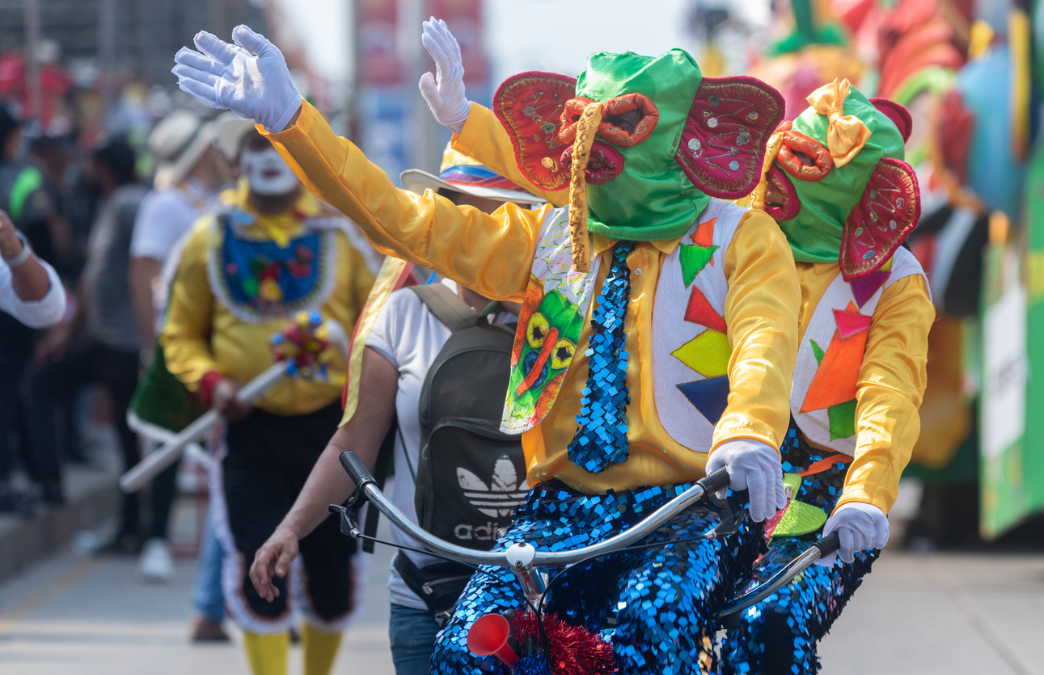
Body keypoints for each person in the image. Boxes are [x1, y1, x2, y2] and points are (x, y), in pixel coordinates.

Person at [175, 21, 800, 673]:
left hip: (685, 509)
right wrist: (293, 121)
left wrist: (750, 431)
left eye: (617, 130)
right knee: (468, 654)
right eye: (583, 130)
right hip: (558, 508)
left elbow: (765, 339)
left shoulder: (741, 238)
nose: (587, 154)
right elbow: (401, 218)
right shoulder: (553, 239)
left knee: (649, 643)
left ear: (680, 141)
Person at [418, 31, 934, 673]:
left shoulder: (892, 280)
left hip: (820, 489)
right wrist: (469, 123)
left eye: (807, 167)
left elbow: (891, 393)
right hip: (716, 478)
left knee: (764, 627)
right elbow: (594, 181)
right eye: (781, 156)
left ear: (855, 197)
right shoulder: (729, 224)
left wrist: (869, 494)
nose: (777, 177)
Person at [247, 147, 541, 675]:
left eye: (503, 214)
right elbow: (353, 444)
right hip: (424, 595)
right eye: (463, 213)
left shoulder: (565, 320)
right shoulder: (403, 315)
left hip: (542, 595)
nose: (482, 232)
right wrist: (290, 528)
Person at [160, 124, 377, 675]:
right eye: (255, 146)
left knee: (332, 571)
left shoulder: (341, 235)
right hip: (250, 432)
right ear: (234, 160)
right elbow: (180, 335)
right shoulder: (208, 238)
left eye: (279, 145)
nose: (268, 158)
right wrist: (213, 385)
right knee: (257, 561)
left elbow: (378, 327)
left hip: (334, 433)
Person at [129, 109, 245, 585]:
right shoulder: (167, 205)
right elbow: (142, 273)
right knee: (168, 442)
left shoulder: (208, 201)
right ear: (198, 152)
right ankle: (154, 539)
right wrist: (150, 347)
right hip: (178, 343)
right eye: (213, 147)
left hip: (214, 345)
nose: (221, 154)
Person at [23, 138, 146, 527]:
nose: (84, 172)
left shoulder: (129, 204)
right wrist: (66, 333)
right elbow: (93, 278)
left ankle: (131, 526)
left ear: (107, 168)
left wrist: (149, 340)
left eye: (92, 164)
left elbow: (146, 266)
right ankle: (56, 482)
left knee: (127, 437)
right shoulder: (113, 204)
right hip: (101, 339)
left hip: (121, 343)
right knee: (46, 387)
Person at [0, 106, 61, 515]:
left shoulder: (23, 175)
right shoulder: (25, 176)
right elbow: (51, 234)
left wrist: (15, 251)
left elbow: (47, 304)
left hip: (16, 303)